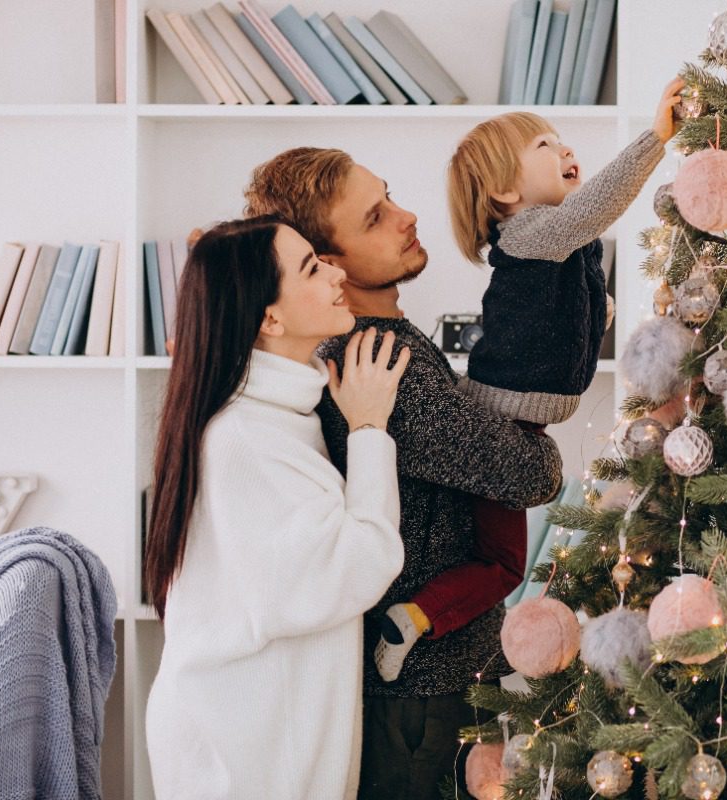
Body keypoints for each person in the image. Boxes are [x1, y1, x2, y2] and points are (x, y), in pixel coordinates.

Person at [243, 150, 564, 800]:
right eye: (375, 217)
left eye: (388, 195)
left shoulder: (385, 339)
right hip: (420, 692)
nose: (406, 215)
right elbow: (531, 476)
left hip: (435, 673)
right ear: (327, 264)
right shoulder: (379, 360)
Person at [143, 216, 410, 800]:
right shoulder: (245, 439)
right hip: (242, 756)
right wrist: (370, 428)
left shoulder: (277, 415)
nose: (336, 273)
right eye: (312, 269)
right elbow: (357, 566)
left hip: (257, 739)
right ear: (270, 318)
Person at [445, 77, 685, 425]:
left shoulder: (562, 241)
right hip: (496, 409)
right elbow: (597, 202)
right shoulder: (526, 232)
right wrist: (655, 138)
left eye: (560, 141)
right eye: (544, 145)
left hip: (522, 417)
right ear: (505, 190)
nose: (567, 149)